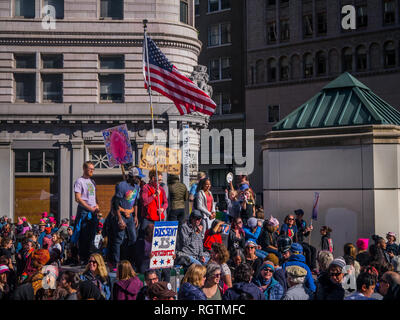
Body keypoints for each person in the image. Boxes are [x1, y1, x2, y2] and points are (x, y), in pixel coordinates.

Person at [107, 168, 141, 270]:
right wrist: (119, 219)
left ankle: (130, 261)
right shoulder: (121, 186)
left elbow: (135, 202)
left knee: (133, 238)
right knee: (119, 239)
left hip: (130, 215)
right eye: (138, 177)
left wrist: (135, 216)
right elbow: (116, 203)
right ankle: (117, 262)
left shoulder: (136, 186)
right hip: (121, 215)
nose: (139, 179)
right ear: (133, 177)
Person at [72, 161, 100, 264]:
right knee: (83, 234)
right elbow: (78, 198)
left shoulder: (92, 181)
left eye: (93, 169)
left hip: (93, 211)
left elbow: (94, 197)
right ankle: (83, 258)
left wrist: (97, 205)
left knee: (92, 234)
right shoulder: (79, 181)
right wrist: (89, 208)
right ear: (84, 169)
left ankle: (89, 257)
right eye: (90, 169)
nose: (92, 171)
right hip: (84, 211)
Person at [141, 169, 168, 233]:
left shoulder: (161, 189)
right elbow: (144, 202)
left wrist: (162, 209)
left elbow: (166, 203)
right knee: (145, 237)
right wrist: (154, 195)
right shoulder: (145, 187)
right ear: (153, 178)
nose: (160, 181)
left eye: (161, 180)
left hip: (159, 217)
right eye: (159, 180)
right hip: (148, 218)